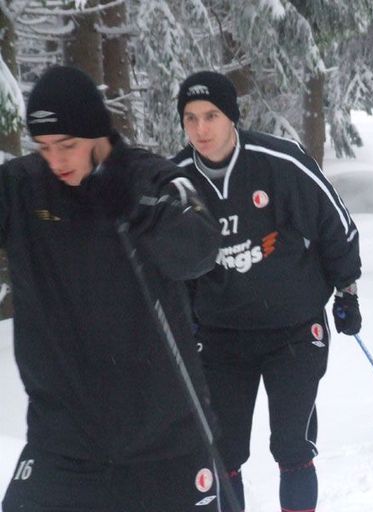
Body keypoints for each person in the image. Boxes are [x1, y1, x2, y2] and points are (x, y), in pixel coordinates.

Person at [1, 66, 223, 511]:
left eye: (68, 145)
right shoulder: (22, 189)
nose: (57, 160)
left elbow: (199, 248)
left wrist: (136, 210)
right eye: (44, 147)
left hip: (165, 443)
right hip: (63, 444)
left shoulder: (150, 179)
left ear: (98, 133)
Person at [172, 71, 362, 512]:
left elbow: (337, 227)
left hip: (293, 330)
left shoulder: (280, 162)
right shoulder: (175, 181)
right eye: (190, 118)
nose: (200, 130)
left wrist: (346, 292)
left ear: (232, 117)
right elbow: (164, 263)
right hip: (220, 336)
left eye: (211, 116)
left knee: (292, 445)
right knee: (223, 452)